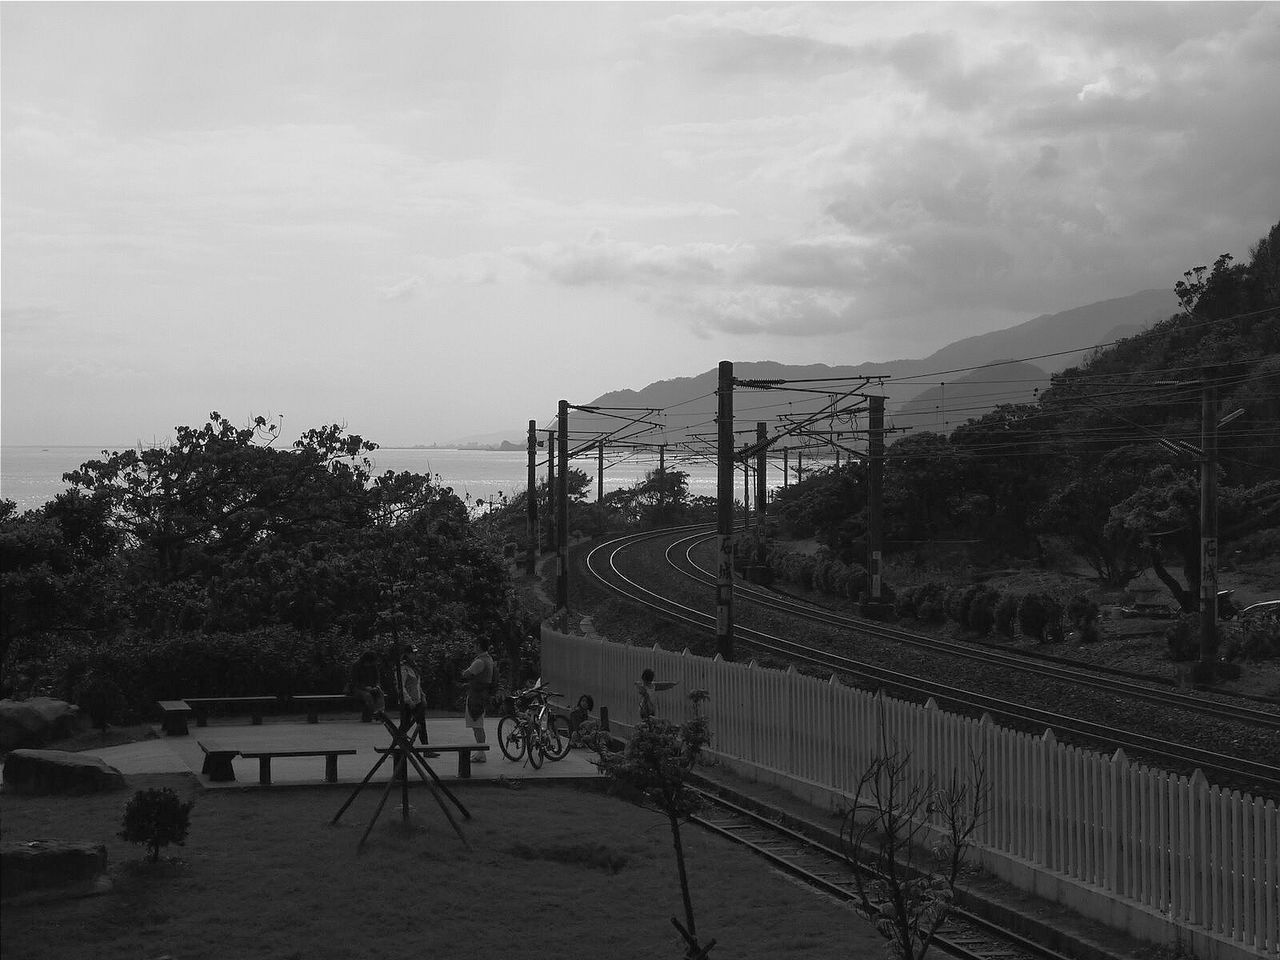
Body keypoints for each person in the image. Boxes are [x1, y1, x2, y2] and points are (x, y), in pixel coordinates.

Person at [459, 637, 496, 763]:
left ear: (479, 646)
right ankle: (480, 751)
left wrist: (463, 672)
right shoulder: (489, 659)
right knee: (477, 725)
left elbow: (467, 674)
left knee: (477, 724)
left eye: (475, 645)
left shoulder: (480, 661)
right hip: (481, 694)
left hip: (477, 696)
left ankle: (481, 752)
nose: (474, 647)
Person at [395, 645, 431, 748]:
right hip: (407, 702)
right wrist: (408, 700)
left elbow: (417, 684)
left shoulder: (414, 666)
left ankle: (426, 748)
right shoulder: (402, 667)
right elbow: (401, 686)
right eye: (412, 653)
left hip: (417, 700)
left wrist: (422, 696)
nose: (415, 655)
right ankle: (397, 746)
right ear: (407, 654)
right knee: (405, 725)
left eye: (415, 653)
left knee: (421, 725)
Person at [349, 650, 385, 720]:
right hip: (358, 688)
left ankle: (380, 712)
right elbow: (354, 682)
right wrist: (365, 688)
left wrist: (377, 686)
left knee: (380, 693)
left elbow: (377, 678)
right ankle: (372, 713)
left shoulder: (374, 666)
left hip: (372, 687)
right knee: (367, 695)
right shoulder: (356, 666)